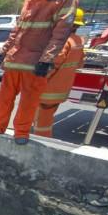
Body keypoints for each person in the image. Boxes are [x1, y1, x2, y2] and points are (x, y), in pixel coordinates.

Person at [0, 0, 77, 145]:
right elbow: (19, 26)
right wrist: (5, 51)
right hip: (16, 56)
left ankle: (21, 132)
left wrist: (47, 59)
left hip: (36, 59)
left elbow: (60, 33)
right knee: (5, 96)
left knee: (29, 99)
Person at [33, 8, 86, 138]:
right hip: (60, 91)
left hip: (47, 91)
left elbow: (51, 66)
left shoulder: (63, 42)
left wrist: (35, 80)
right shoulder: (78, 41)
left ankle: (42, 144)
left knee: (42, 122)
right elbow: (80, 63)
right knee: (47, 118)